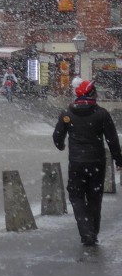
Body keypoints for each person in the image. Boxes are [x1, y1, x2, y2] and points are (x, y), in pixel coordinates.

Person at [52, 79, 122, 247]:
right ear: (91, 94)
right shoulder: (101, 113)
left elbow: (57, 136)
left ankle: (86, 232)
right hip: (97, 162)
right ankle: (93, 232)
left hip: (76, 162)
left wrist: (61, 145)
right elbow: (112, 139)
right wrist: (118, 160)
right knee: (94, 197)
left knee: (76, 197)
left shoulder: (67, 113)